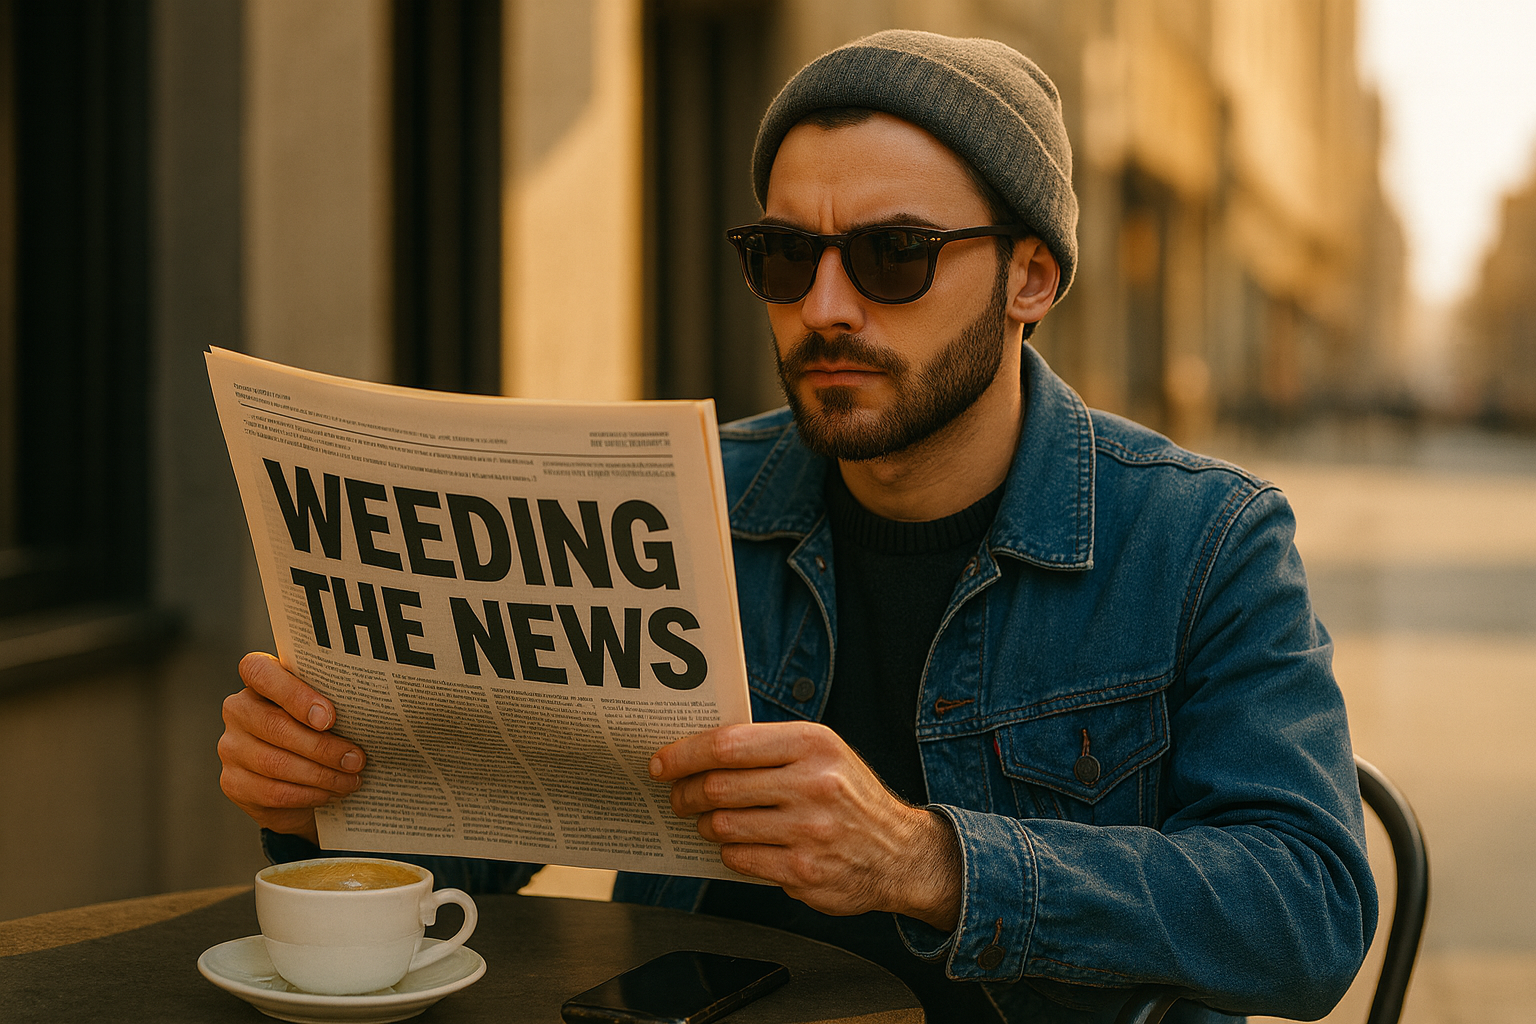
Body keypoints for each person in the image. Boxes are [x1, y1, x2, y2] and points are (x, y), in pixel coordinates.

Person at [218, 30, 1376, 1024]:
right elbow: (469, 864)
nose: (825, 306)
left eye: (893, 256)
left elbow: (1309, 910)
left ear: (1031, 277)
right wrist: (325, 800)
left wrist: (926, 861)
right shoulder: (676, 507)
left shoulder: (1203, 538)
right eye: (784, 257)